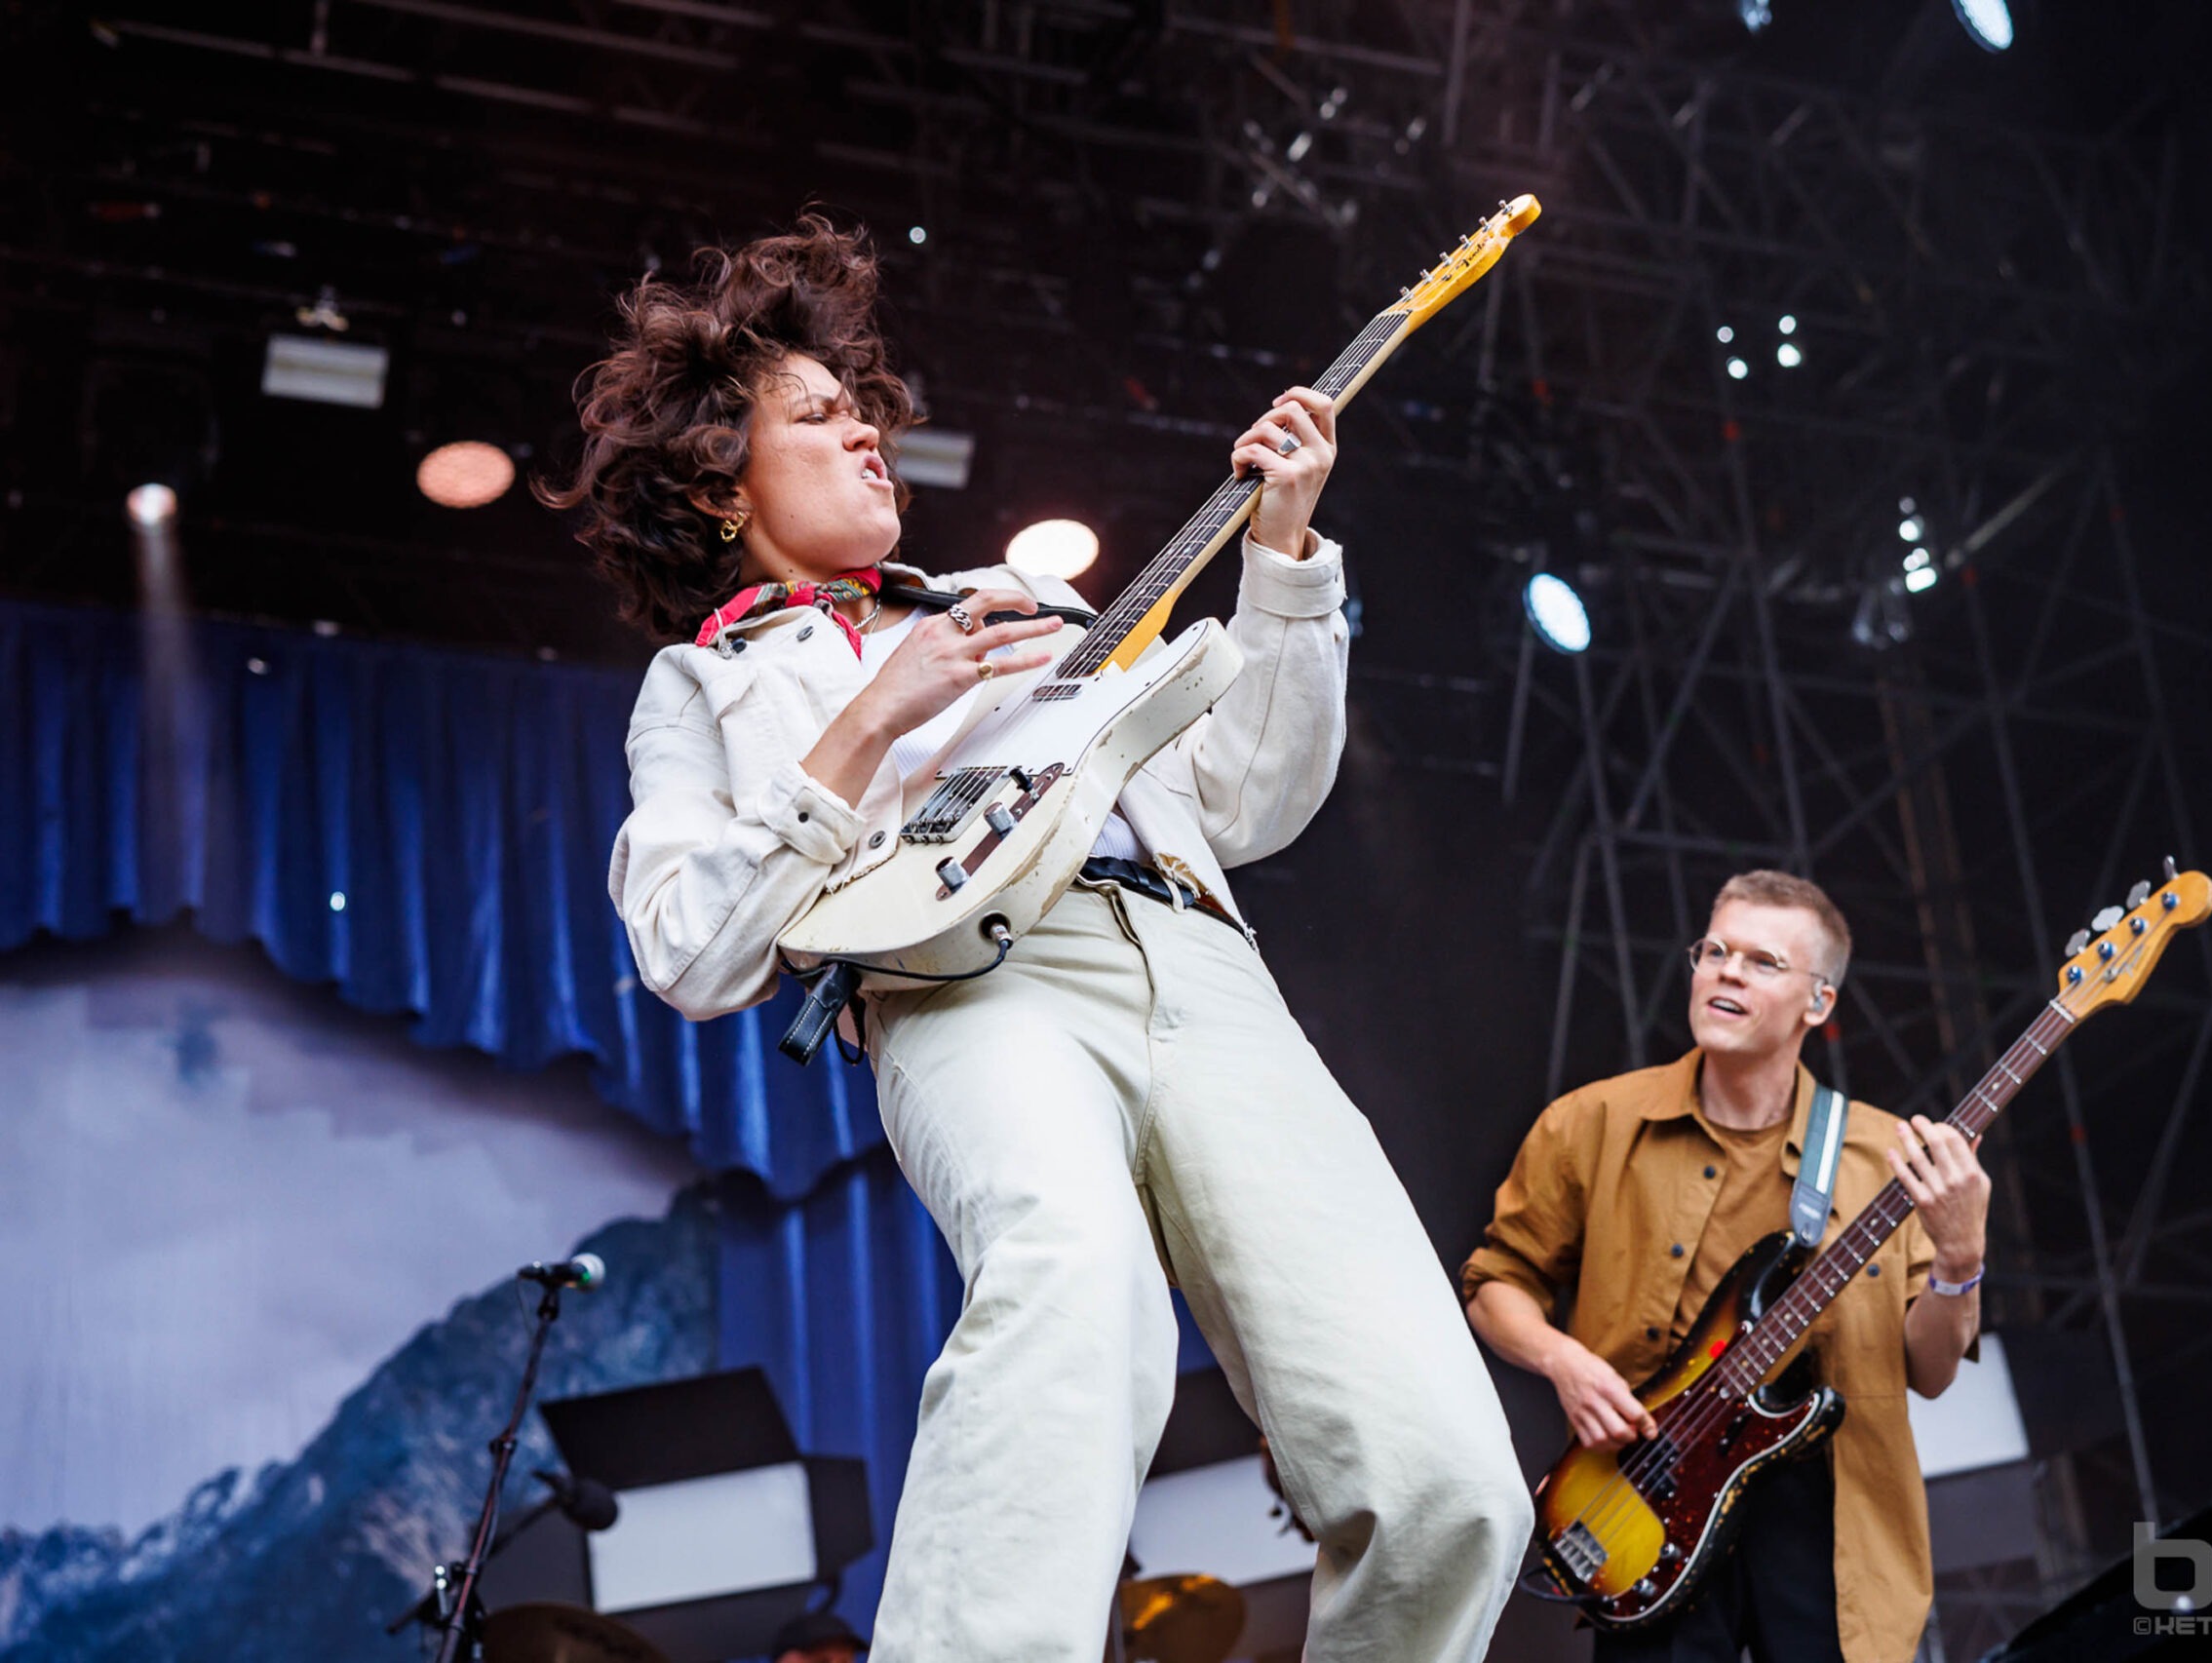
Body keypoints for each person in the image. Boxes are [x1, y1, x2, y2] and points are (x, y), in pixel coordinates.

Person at [546, 214, 1531, 1663]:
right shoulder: (707, 684)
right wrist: (873, 714)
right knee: (1076, 1282)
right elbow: (690, 951)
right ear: (716, 487)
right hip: (977, 995)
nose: (869, 438)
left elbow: (1249, 798)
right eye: (820, 418)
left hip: (1206, 971)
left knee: (1448, 1476)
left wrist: (1282, 551)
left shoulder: (1041, 613)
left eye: (868, 411)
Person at [1462, 870, 1991, 1663]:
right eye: (1715, 950)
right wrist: (1564, 1363)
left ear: (1819, 1004)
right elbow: (1495, 1285)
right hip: (1646, 1499)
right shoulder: (1592, 1123)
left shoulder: (1889, 1158)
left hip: (1830, 1526)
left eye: (1763, 962)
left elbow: (1932, 1369)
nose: (1727, 972)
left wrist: (1961, 1255)